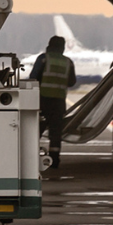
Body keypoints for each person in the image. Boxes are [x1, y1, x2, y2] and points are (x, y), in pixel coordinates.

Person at [31, 35, 77, 167]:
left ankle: (30, 158)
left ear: (49, 45)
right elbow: (72, 82)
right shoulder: (68, 62)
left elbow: (33, 77)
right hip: (59, 102)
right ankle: (54, 160)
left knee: (35, 131)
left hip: (42, 101)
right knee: (55, 133)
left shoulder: (44, 58)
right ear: (62, 47)